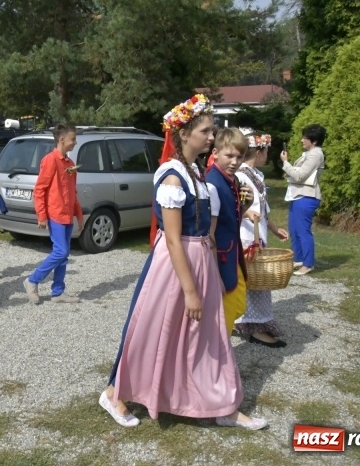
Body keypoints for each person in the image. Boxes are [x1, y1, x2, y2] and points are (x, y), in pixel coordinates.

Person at [100, 95, 266, 430]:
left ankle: (219, 404)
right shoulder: (173, 176)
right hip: (176, 266)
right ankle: (115, 393)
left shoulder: (194, 172)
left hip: (201, 260)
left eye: (210, 130)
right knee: (153, 332)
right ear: (184, 133)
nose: (210, 136)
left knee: (207, 334)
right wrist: (190, 289)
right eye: (205, 130)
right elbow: (173, 238)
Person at [234, 132, 290, 347]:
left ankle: (248, 322)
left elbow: (262, 208)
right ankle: (253, 327)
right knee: (252, 283)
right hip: (246, 236)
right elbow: (237, 207)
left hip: (258, 234)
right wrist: (247, 214)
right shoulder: (240, 176)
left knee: (256, 282)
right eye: (266, 151)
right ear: (258, 152)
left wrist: (274, 228)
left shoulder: (257, 174)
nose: (267, 155)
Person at [22, 124, 84, 304]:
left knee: (64, 255)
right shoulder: (50, 160)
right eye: (73, 139)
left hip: (67, 214)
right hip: (56, 214)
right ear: (62, 139)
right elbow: (40, 189)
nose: (75, 142)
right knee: (61, 251)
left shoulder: (70, 164)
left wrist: (78, 213)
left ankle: (58, 292)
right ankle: (32, 280)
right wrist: (41, 215)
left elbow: (73, 191)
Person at [207, 128, 250, 337]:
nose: (235, 161)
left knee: (238, 302)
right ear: (215, 153)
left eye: (239, 157)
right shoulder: (212, 182)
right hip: (221, 256)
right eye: (229, 156)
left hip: (232, 253)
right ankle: (219, 361)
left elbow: (233, 218)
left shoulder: (231, 179)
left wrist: (245, 204)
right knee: (225, 311)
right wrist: (213, 270)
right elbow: (209, 232)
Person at [280, 124, 326, 276]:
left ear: (314, 140)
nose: (302, 140)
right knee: (294, 229)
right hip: (298, 194)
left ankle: (308, 263)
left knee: (303, 230)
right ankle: (299, 258)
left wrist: (285, 163)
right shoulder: (309, 153)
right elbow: (295, 174)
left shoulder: (315, 155)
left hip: (307, 196)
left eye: (305, 138)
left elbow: (300, 175)